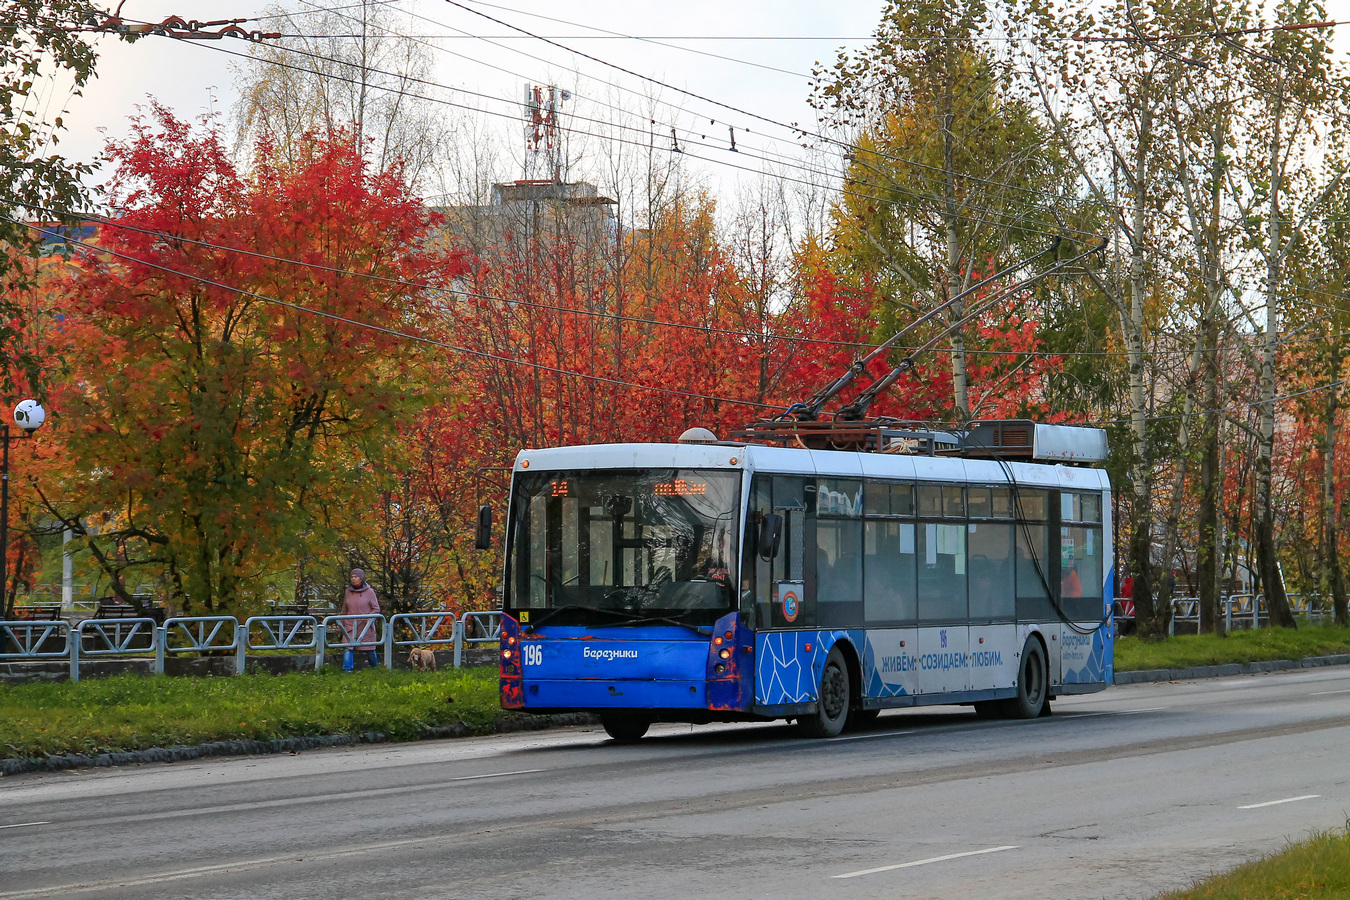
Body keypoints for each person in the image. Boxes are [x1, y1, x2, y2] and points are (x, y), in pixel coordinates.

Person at [340, 568, 381, 672]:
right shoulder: (347, 592)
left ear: (361, 579)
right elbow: (344, 609)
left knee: (369, 649)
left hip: (365, 626)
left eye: (356, 577)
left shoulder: (370, 592)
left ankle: (374, 669)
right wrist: (341, 624)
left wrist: (369, 617)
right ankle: (347, 671)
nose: (353, 579)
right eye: (352, 577)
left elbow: (376, 609)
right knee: (348, 648)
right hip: (350, 625)